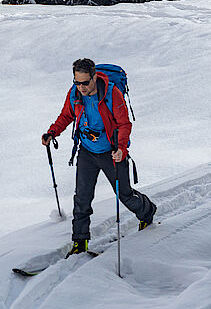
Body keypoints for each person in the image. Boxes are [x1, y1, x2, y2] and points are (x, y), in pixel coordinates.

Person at [43, 58, 156, 254]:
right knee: (82, 198)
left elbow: (124, 124)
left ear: (94, 77)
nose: (81, 87)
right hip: (87, 151)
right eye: (77, 82)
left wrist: (121, 148)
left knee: (125, 195)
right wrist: (52, 132)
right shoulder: (74, 93)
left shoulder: (112, 93)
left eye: (85, 82)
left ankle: (147, 212)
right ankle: (80, 242)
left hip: (112, 153)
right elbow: (66, 115)